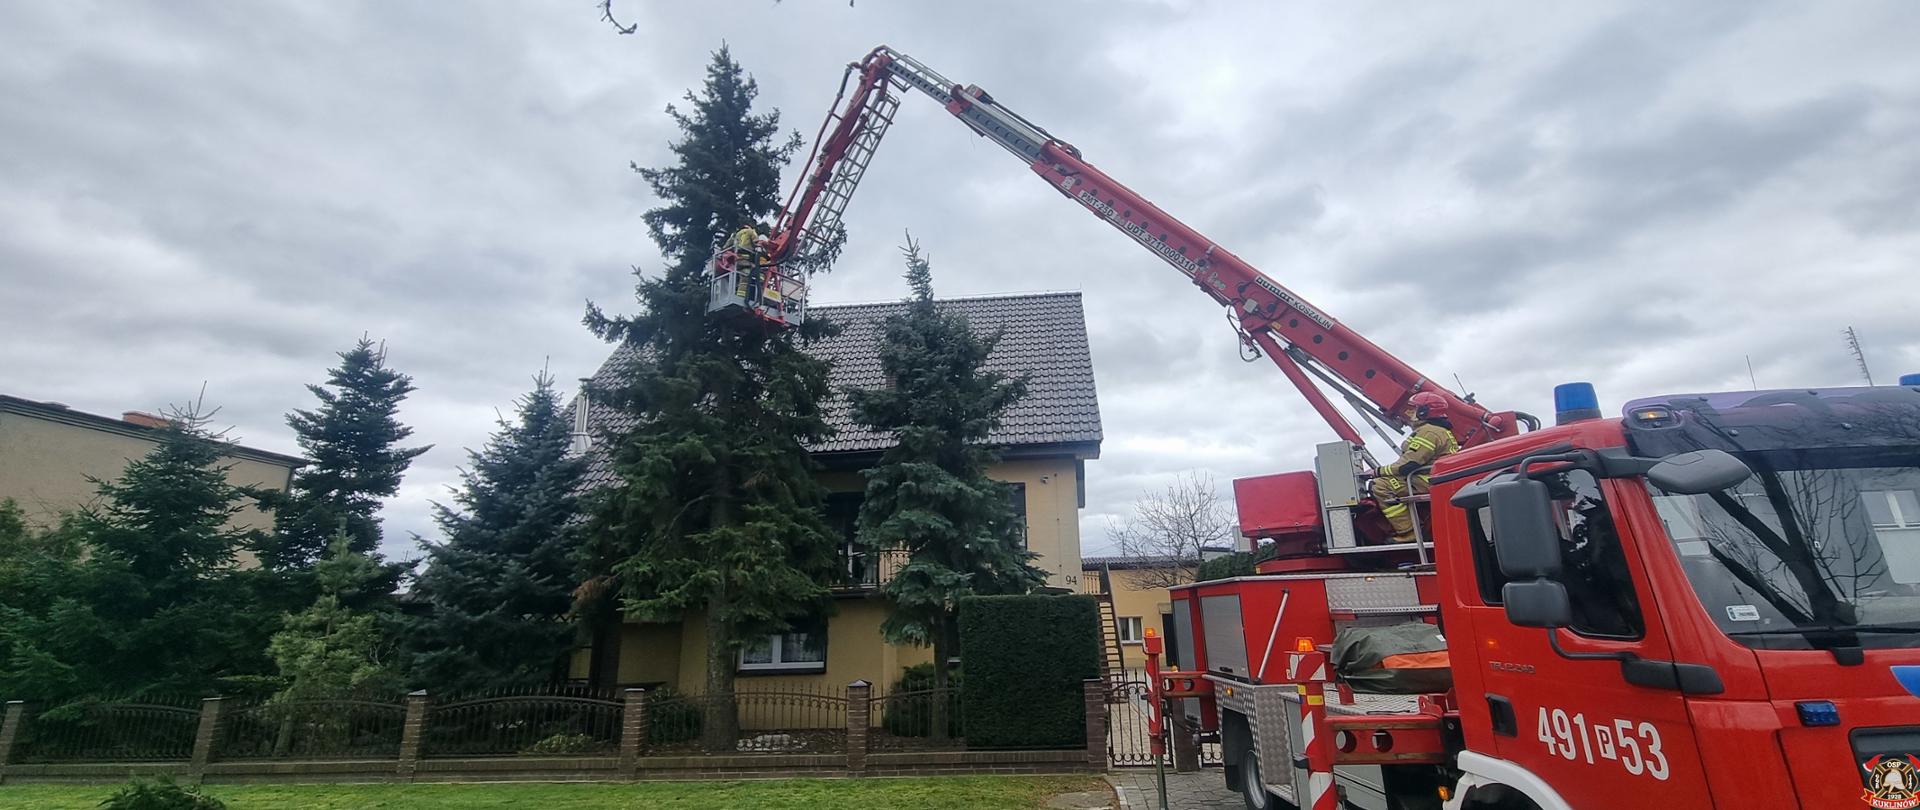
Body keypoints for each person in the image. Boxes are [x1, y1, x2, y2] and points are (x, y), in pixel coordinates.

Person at [1369, 391, 1460, 543]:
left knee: (1380, 485)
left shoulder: (1428, 431)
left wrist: (1376, 472)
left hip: (1427, 480)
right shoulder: (1440, 430)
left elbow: (1408, 465)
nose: (1409, 412)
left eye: (1414, 408)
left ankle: (1408, 532)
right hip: (1435, 479)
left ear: (1424, 412)